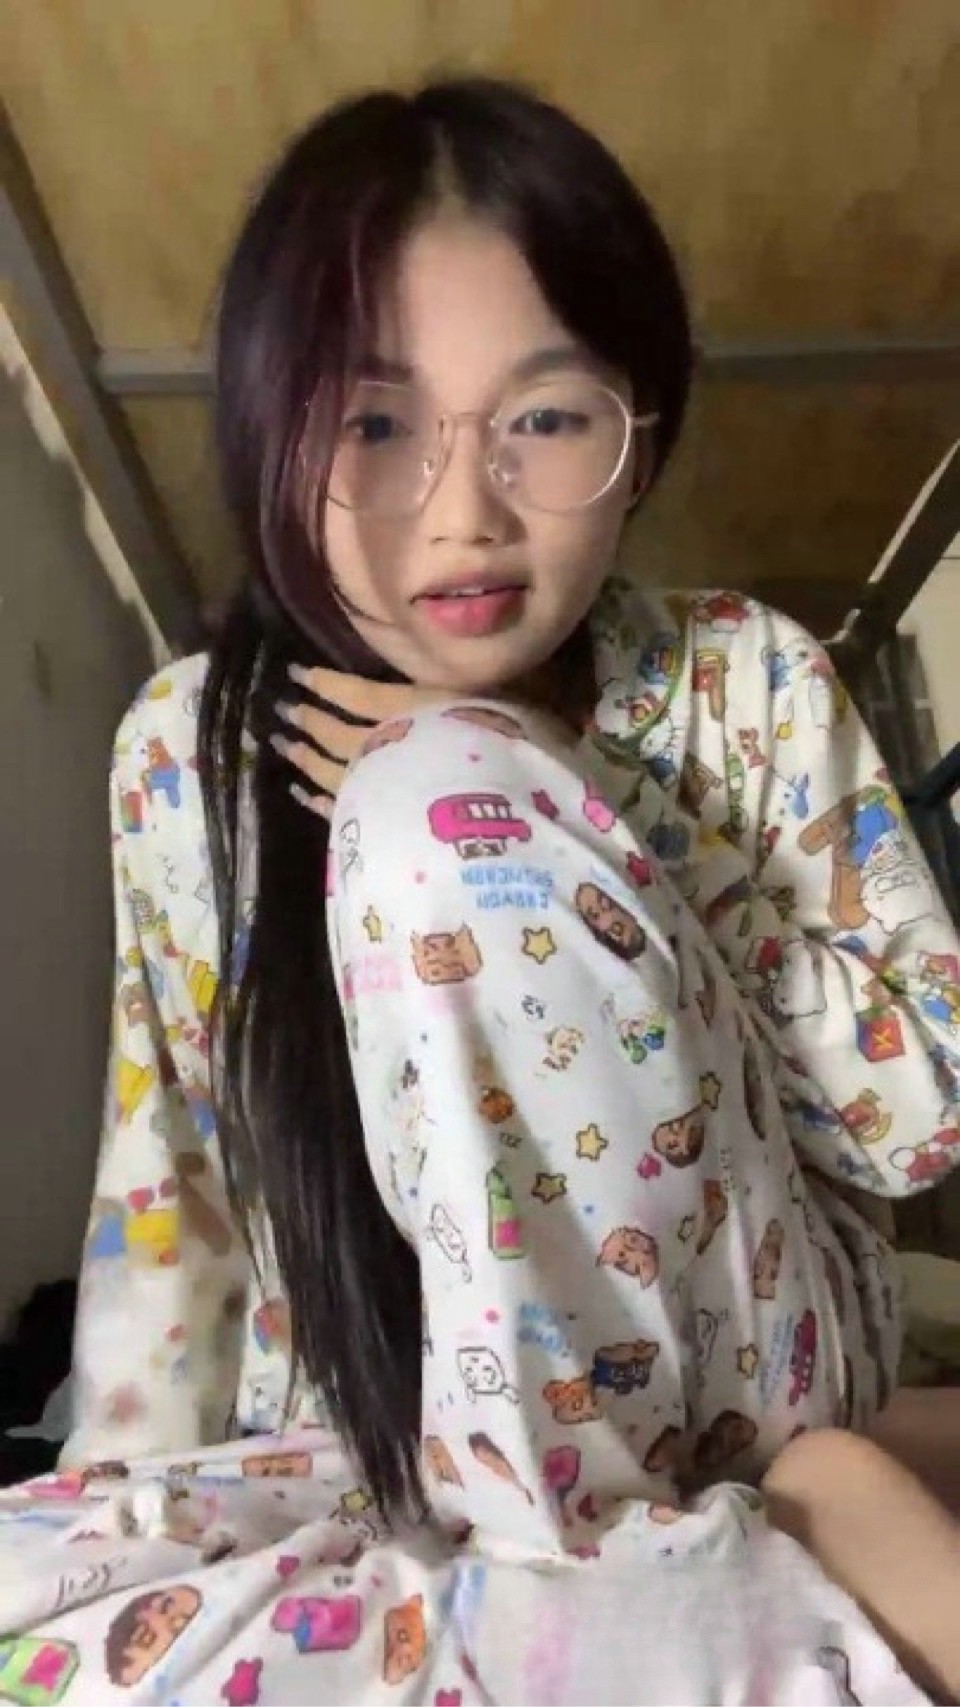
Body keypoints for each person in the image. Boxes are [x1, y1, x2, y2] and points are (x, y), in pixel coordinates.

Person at [3, 76, 959, 1704]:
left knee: (448, 803)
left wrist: (590, 802)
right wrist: (134, 1503)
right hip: (377, 1417)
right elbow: (172, 1185)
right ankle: (666, 1636)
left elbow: (915, 1122)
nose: (462, 514)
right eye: (373, 424)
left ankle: (604, 1588)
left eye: (546, 418)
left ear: (638, 430)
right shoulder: (186, 744)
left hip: (748, 1383)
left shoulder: (745, 677)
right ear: (271, 438)